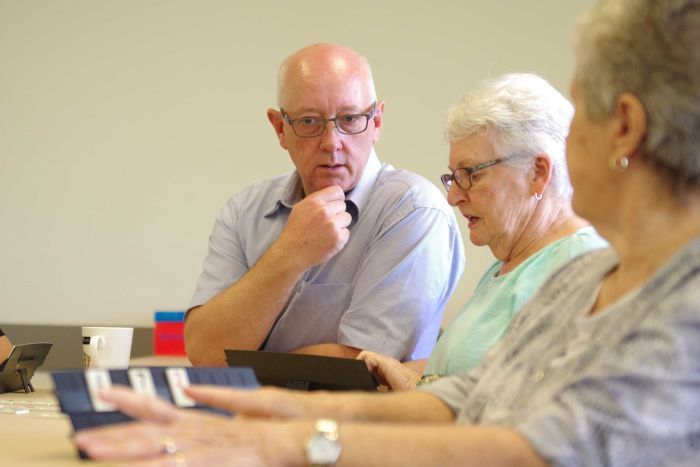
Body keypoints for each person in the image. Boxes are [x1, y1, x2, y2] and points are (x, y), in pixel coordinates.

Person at [74, 0, 700, 465]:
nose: (563, 144)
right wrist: (286, 408)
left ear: (622, 127)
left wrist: (292, 440)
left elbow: (550, 447)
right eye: (312, 121)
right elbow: (467, 398)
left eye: (578, 110)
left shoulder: (683, 299)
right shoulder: (587, 277)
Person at [184, 43, 465, 366]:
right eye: (308, 122)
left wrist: (243, 362)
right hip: (237, 414)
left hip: (360, 416)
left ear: (376, 122)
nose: (332, 143)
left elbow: (362, 366)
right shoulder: (244, 210)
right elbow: (205, 353)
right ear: (280, 128)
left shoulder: (413, 210)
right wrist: (289, 254)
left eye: (349, 119)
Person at [359, 73, 606, 390]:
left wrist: (415, 387)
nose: (453, 196)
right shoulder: (508, 264)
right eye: (453, 177)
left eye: (470, 175)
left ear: (538, 173)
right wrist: (410, 378)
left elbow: (528, 411)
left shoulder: (578, 265)